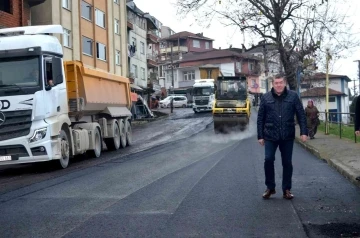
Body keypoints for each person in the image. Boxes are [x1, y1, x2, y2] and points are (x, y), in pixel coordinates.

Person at [257, 74, 308, 200]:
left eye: (280, 82)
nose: (278, 85)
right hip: (270, 135)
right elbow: (260, 118)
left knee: (287, 163)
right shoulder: (265, 97)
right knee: (268, 159)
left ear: (284, 83)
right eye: (276, 83)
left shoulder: (293, 96)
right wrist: (260, 135)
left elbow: (301, 114)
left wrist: (304, 132)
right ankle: (270, 188)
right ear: (273, 84)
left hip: (287, 135)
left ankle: (286, 189)